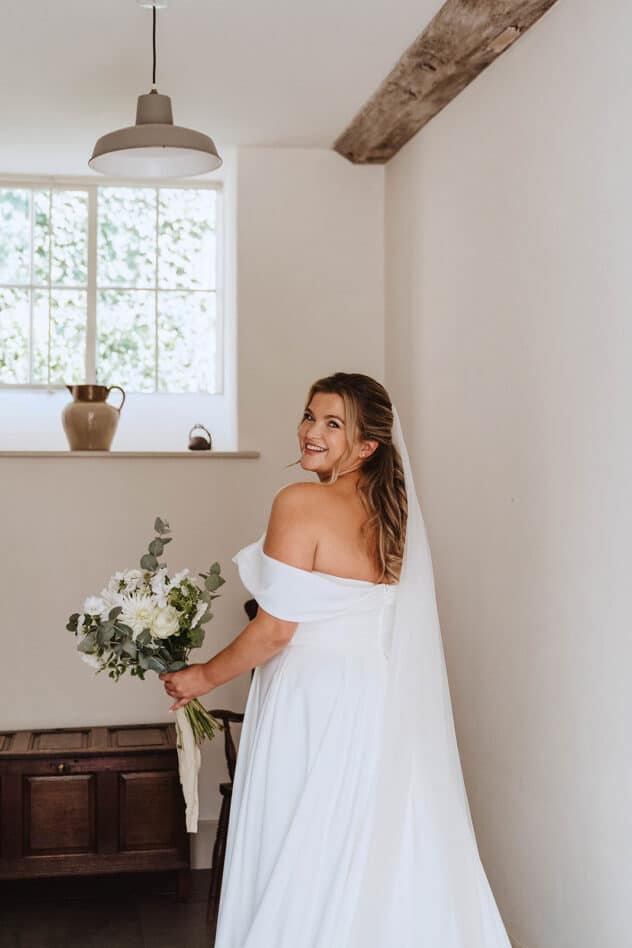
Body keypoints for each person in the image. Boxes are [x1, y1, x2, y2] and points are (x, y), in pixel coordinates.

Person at [160, 372, 512, 947]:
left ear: (367, 445)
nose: (310, 432)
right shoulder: (395, 516)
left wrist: (197, 678)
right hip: (380, 699)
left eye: (332, 423)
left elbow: (274, 631)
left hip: (311, 699)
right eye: (308, 416)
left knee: (302, 838)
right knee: (373, 840)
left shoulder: (300, 502)